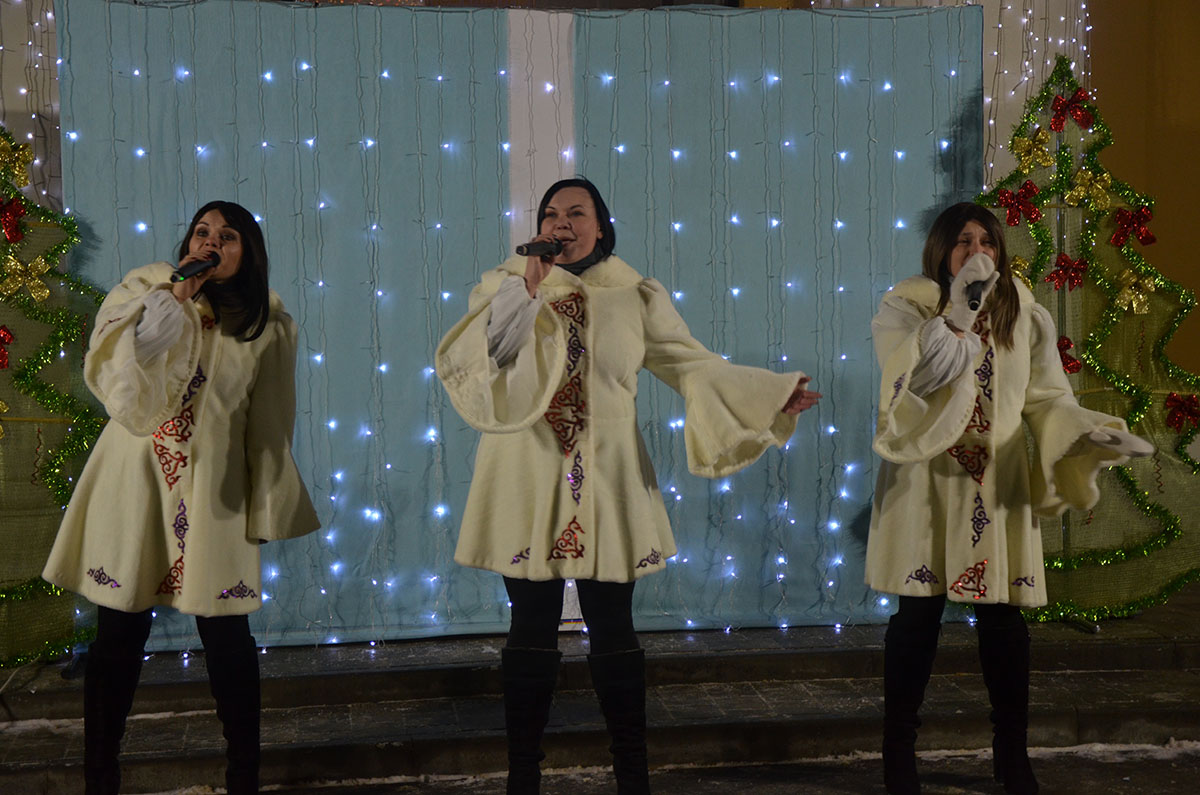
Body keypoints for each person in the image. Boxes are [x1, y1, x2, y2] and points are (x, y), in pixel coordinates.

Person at [436, 177, 820, 794]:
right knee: (530, 624)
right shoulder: (503, 286)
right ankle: (522, 776)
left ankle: (632, 775)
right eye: (551, 214)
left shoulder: (633, 294)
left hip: (607, 473)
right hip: (526, 470)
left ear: (601, 226)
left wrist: (771, 394)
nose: (562, 223)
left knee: (613, 625)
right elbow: (489, 356)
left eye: (576, 212)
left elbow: (692, 364)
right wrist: (528, 285)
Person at [866, 202, 1152, 795]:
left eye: (988, 242)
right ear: (942, 250)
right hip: (927, 483)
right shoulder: (908, 307)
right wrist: (961, 309)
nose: (978, 251)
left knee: (1003, 622)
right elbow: (921, 378)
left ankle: (1011, 753)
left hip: (996, 484)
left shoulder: (1023, 312)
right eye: (964, 241)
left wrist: (1085, 432)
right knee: (916, 620)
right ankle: (898, 755)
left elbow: (1047, 398)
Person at [42, 200, 320, 795]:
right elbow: (119, 366)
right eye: (202, 232)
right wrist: (175, 297)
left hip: (214, 491)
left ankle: (243, 777)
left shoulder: (267, 323)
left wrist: (266, 505)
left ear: (248, 253)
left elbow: (270, 426)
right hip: (137, 482)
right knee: (119, 634)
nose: (211, 242)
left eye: (228, 236)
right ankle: (100, 779)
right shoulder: (145, 291)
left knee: (227, 638)